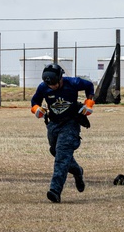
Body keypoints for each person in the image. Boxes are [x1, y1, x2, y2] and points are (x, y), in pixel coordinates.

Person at [30, 63, 95, 204]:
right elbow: (34, 101)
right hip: (53, 124)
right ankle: (77, 171)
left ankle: (55, 190)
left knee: (61, 156)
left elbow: (89, 86)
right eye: (49, 85)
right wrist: (36, 109)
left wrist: (89, 103)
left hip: (70, 123)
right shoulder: (43, 87)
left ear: (60, 78)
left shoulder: (73, 83)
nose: (52, 87)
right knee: (55, 151)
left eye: (54, 84)